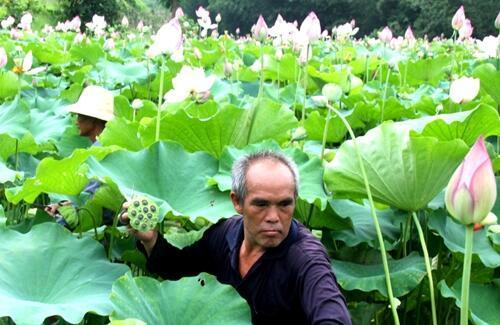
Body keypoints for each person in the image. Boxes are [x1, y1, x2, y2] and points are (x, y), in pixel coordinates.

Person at [123, 151, 351, 324]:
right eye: (261, 204)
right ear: (237, 202)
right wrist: (150, 239)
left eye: (284, 204)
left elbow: (333, 315)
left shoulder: (305, 258)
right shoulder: (225, 234)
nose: (274, 217)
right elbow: (177, 268)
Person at [45, 85, 115, 226]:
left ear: (94, 119)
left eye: (81, 117)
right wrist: (61, 206)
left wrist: (62, 216)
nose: (76, 122)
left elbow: (89, 202)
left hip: (100, 230)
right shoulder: (106, 145)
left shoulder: (100, 152)